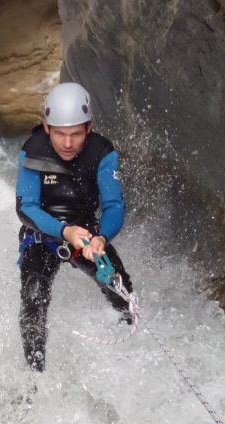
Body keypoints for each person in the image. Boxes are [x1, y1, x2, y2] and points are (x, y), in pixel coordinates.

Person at [15, 82, 133, 372]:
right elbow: (25, 207)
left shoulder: (103, 153)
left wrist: (101, 238)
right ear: (46, 128)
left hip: (87, 235)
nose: (67, 144)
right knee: (34, 295)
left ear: (89, 128)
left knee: (120, 288)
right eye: (59, 134)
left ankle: (132, 345)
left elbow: (114, 206)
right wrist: (64, 231)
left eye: (76, 134)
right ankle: (35, 376)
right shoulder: (32, 150)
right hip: (42, 234)